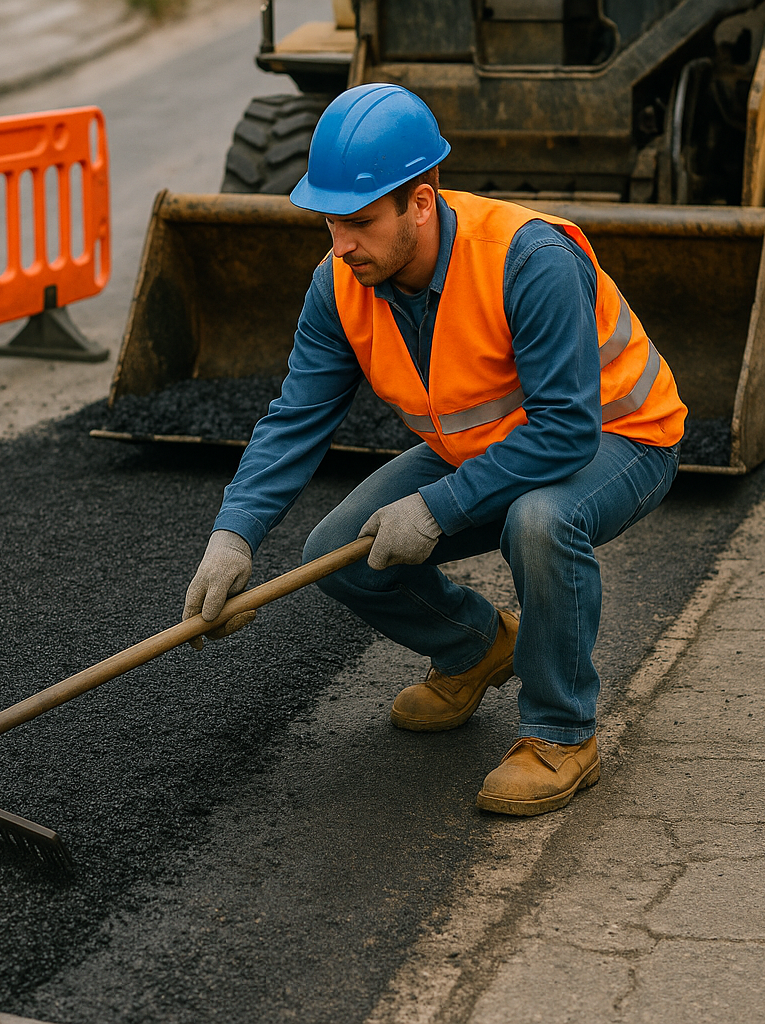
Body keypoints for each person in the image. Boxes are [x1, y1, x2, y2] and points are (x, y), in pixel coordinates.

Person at [183, 83, 686, 816]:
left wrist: (437, 508)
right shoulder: (341, 284)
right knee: (338, 550)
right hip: (490, 448)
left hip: (621, 437)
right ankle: (476, 646)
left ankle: (561, 734)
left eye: (360, 222)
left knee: (540, 521)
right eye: (331, 223)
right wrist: (233, 537)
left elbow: (565, 431)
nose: (341, 245)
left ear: (421, 203)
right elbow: (294, 419)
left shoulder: (529, 259)